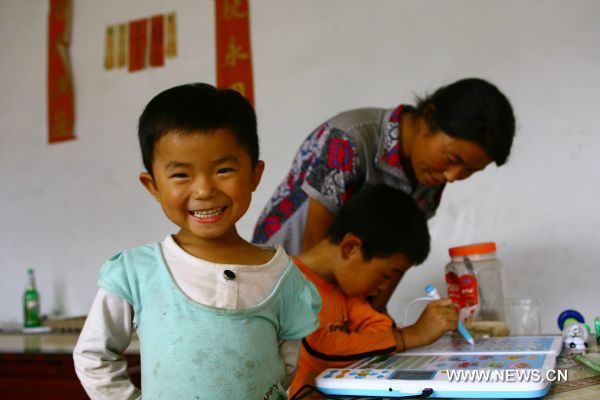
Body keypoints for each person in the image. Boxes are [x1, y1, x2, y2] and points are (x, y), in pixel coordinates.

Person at [73, 83, 321, 400]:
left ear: (255, 175)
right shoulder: (136, 272)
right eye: (180, 175)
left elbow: (285, 366)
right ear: (153, 186)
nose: (204, 190)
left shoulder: (282, 274)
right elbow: (94, 355)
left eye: (224, 169)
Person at [253, 77, 516, 311]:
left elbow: (399, 255)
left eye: (469, 170)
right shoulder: (350, 139)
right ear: (428, 119)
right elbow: (316, 247)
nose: (452, 176)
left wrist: (374, 318)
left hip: (337, 294)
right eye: (451, 158)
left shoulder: (430, 176)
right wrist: (343, 324)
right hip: (280, 277)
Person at [287, 184, 459, 398]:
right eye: (386, 275)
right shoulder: (287, 280)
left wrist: (400, 337)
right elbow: (318, 345)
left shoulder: (343, 289)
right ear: (351, 248)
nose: (384, 287)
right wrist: (408, 336)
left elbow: (380, 326)